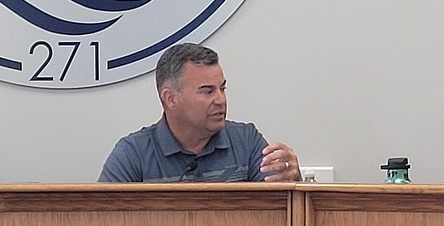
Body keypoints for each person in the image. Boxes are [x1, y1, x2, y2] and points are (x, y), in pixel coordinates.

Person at [100, 43, 301, 182]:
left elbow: (279, 215)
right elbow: (102, 223)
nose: (221, 100)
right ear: (171, 98)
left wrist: (291, 178)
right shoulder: (133, 154)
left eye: (222, 88)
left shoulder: (246, 141)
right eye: (207, 91)